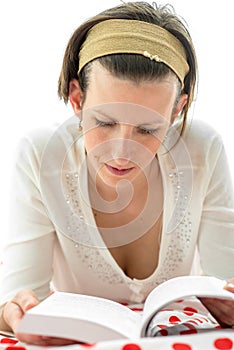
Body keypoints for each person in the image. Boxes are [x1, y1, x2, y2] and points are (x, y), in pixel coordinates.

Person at [0, 1, 234, 346]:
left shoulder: (202, 148)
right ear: (77, 98)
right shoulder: (40, 153)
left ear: (176, 110)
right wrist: (14, 312)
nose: (123, 153)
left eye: (148, 130)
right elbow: (19, 298)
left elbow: (224, 283)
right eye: (105, 123)